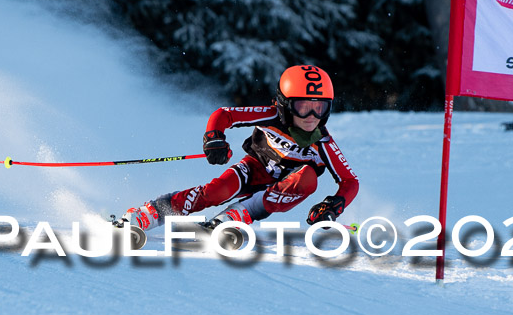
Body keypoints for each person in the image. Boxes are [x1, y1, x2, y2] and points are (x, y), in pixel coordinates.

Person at [118, 64, 359, 231]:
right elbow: (225, 114)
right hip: (253, 169)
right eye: (303, 107)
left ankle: (239, 214)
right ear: (285, 104)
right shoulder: (270, 116)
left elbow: (350, 181)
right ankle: (152, 212)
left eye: (320, 108)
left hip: (282, 191)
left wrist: (334, 206)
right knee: (217, 192)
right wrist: (214, 137)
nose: (312, 116)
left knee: (308, 178)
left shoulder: (323, 142)